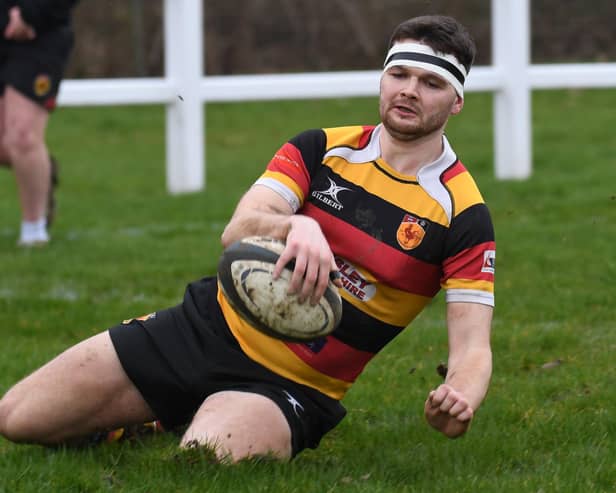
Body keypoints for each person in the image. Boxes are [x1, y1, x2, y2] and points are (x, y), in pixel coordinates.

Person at [0, 15, 495, 462]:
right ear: (383, 79)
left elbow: (472, 346)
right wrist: (294, 224)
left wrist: (461, 395)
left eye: (431, 83)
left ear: (456, 102)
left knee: (203, 459)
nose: (409, 91)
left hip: (292, 384)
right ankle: (148, 415)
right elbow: (239, 227)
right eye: (399, 75)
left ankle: (183, 415)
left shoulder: (462, 214)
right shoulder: (321, 148)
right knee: (16, 418)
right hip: (202, 329)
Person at [0, 0, 79, 246]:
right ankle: (41, 173)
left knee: (22, 136)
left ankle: (34, 233)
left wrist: (30, 14)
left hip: (38, 35)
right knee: (7, 147)